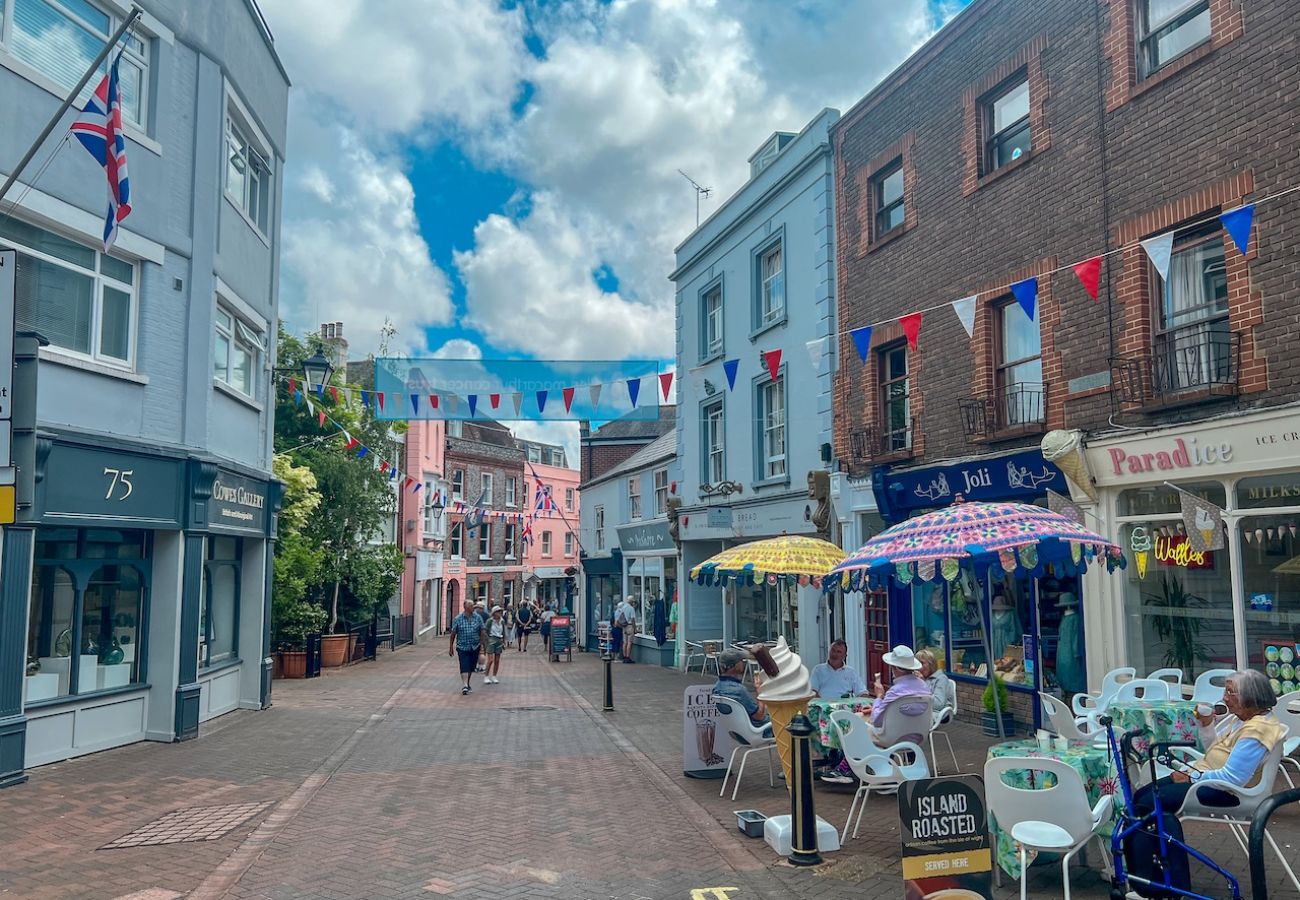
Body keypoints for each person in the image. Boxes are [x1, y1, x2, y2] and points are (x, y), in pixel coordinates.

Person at [1129, 670, 1287, 890]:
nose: (1224, 698)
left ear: (1250, 697)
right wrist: (1206, 725)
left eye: (1231, 692)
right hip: (1207, 778)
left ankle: (1157, 883)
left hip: (1227, 790)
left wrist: (1190, 776)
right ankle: (1156, 877)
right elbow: (1216, 753)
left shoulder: (1258, 730)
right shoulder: (1242, 720)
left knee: (1148, 803)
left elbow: (1233, 778)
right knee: (1141, 797)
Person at [868, 645, 932, 743]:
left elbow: (876, 721)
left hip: (891, 739)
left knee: (859, 725)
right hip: (918, 738)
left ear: (894, 668)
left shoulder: (895, 691)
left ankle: (850, 758)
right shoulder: (924, 686)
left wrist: (879, 697)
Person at [712, 649, 769, 729]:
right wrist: (759, 690)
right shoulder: (739, 691)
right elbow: (759, 716)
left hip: (737, 731)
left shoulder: (717, 687)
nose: (743, 663)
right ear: (736, 666)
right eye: (741, 661)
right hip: (759, 729)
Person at [448, 599, 486, 695]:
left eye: (473, 606)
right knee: (464, 665)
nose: (473, 607)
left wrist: (481, 643)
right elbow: (453, 633)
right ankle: (465, 685)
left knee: (471, 666)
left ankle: (467, 683)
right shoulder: (458, 619)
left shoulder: (478, 618)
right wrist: (451, 647)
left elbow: (482, 630)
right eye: (471, 606)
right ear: (465, 607)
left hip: (475, 646)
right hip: (462, 646)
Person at [916, 648, 955, 715]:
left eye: (922, 663)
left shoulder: (941, 679)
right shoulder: (917, 678)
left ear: (931, 664)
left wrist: (922, 684)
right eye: (917, 664)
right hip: (921, 710)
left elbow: (938, 704)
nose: (918, 667)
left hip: (937, 713)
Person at [483, 606, 507, 684]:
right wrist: (488, 640)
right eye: (498, 612)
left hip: (499, 639)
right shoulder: (490, 621)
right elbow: (485, 631)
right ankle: (486, 676)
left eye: (500, 612)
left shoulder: (502, 621)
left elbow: (503, 631)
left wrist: (504, 641)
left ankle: (494, 676)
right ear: (494, 613)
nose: (499, 613)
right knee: (490, 660)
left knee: (497, 660)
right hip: (491, 639)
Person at [615, 595, 638, 663]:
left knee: (625, 642)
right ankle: (628, 657)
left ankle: (624, 657)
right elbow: (633, 619)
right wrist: (635, 628)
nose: (633, 603)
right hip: (630, 626)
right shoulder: (631, 608)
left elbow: (618, 618)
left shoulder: (623, 607)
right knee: (629, 642)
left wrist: (621, 625)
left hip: (624, 626)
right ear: (631, 602)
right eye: (633, 602)